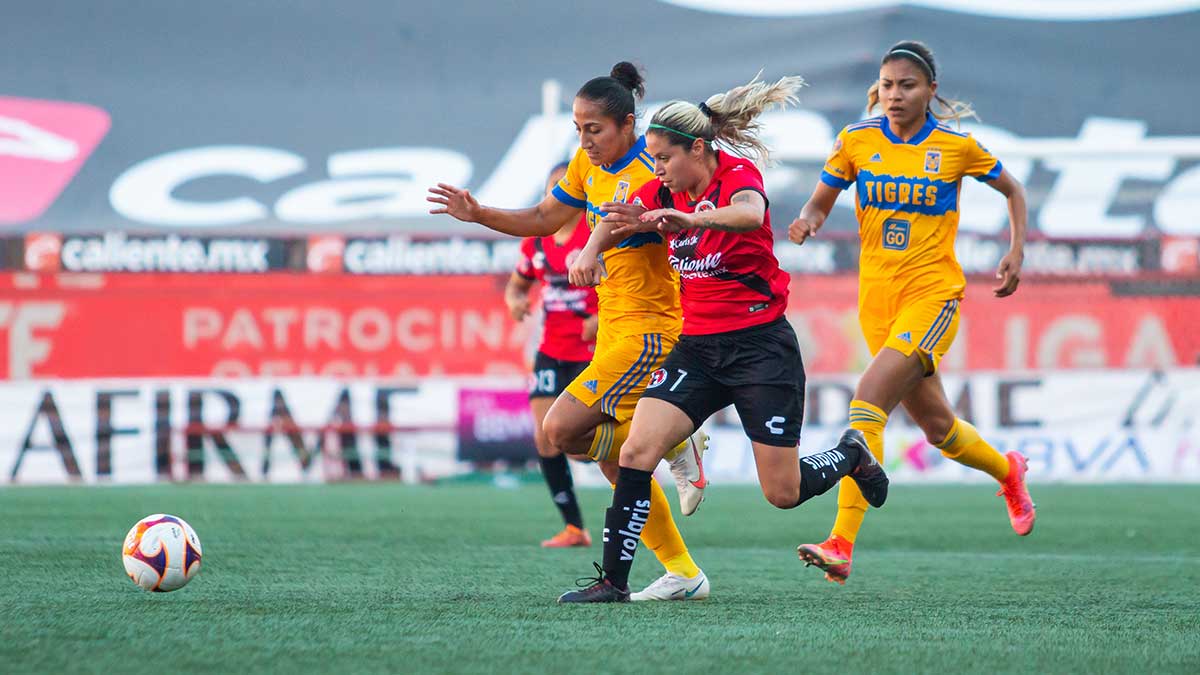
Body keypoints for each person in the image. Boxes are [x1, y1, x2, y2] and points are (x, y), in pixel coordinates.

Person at [558, 74, 889, 603]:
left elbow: (750, 214)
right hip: (698, 348)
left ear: (697, 148)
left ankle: (851, 453)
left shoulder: (736, 173)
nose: (658, 169)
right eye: (654, 160)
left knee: (782, 493)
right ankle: (613, 583)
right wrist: (590, 249)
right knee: (638, 452)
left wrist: (686, 216)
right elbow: (615, 218)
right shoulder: (662, 188)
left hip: (760, 347)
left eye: (665, 158)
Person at [429, 63, 711, 600]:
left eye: (594, 129)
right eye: (578, 129)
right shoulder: (586, 165)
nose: (584, 140)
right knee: (607, 456)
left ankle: (678, 438)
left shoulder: (659, 170)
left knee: (557, 432)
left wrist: (591, 247)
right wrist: (479, 212)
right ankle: (682, 572)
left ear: (628, 124)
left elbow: (627, 223)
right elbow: (542, 215)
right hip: (614, 331)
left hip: (652, 331)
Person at [787, 40, 1036, 585]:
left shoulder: (955, 147)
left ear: (930, 92)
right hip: (877, 300)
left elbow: (1013, 190)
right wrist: (807, 220)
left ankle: (841, 542)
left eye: (908, 85)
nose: (896, 95)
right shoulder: (857, 140)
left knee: (867, 399)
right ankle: (1009, 471)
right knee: (939, 428)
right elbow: (820, 201)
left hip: (934, 295)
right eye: (889, 85)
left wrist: (1017, 249)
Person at [505, 163, 600, 547]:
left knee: (580, 445)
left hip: (593, 350)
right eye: (551, 189)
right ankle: (575, 527)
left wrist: (601, 316)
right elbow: (517, 285)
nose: (557, 195)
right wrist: (514, 301)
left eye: (564, 188)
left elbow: (628, 284)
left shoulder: (595, 233)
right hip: (551, 349)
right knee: (547, 440)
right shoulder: (536, 241)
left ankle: (647, 451)